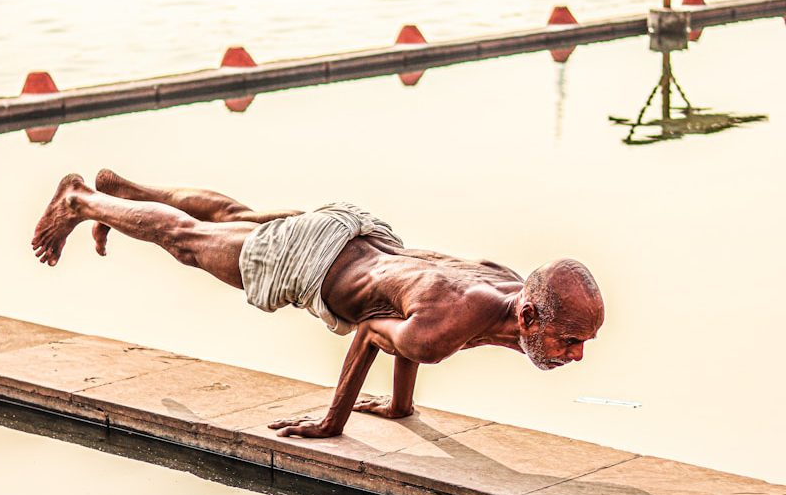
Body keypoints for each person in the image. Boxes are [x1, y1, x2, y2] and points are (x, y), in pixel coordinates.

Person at [32, 171, 605, 438]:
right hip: (316, 261)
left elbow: (418, 321)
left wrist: (402, 407)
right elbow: (377, 331)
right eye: (569, 340)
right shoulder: (457, 323)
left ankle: (124, 192)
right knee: (187, 242)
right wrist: (333, 422)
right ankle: (82, 199)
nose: (575, 355)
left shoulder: (507, 285)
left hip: (358, 232)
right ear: (530, 316)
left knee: (232, 220)